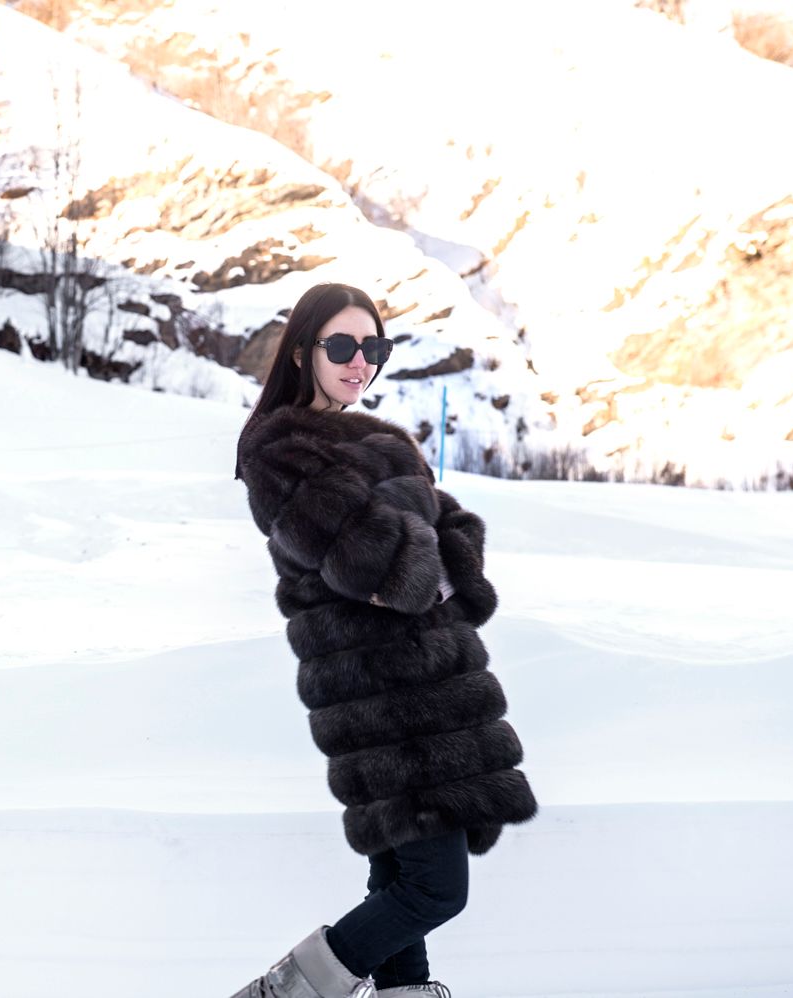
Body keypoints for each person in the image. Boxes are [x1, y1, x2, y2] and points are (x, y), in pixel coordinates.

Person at [230, 284, 537, 998]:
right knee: (435, 889)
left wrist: (426, 553)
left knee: (401, 878)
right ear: (304, 351)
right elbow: (379, 563)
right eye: (342, 346)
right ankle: (282, 993)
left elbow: (453, 543)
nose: (359, 362)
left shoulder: (386, 442)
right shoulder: (281, 449)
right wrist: (418, 554)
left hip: (426, 691)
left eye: (373, 347)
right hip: (379, 705)